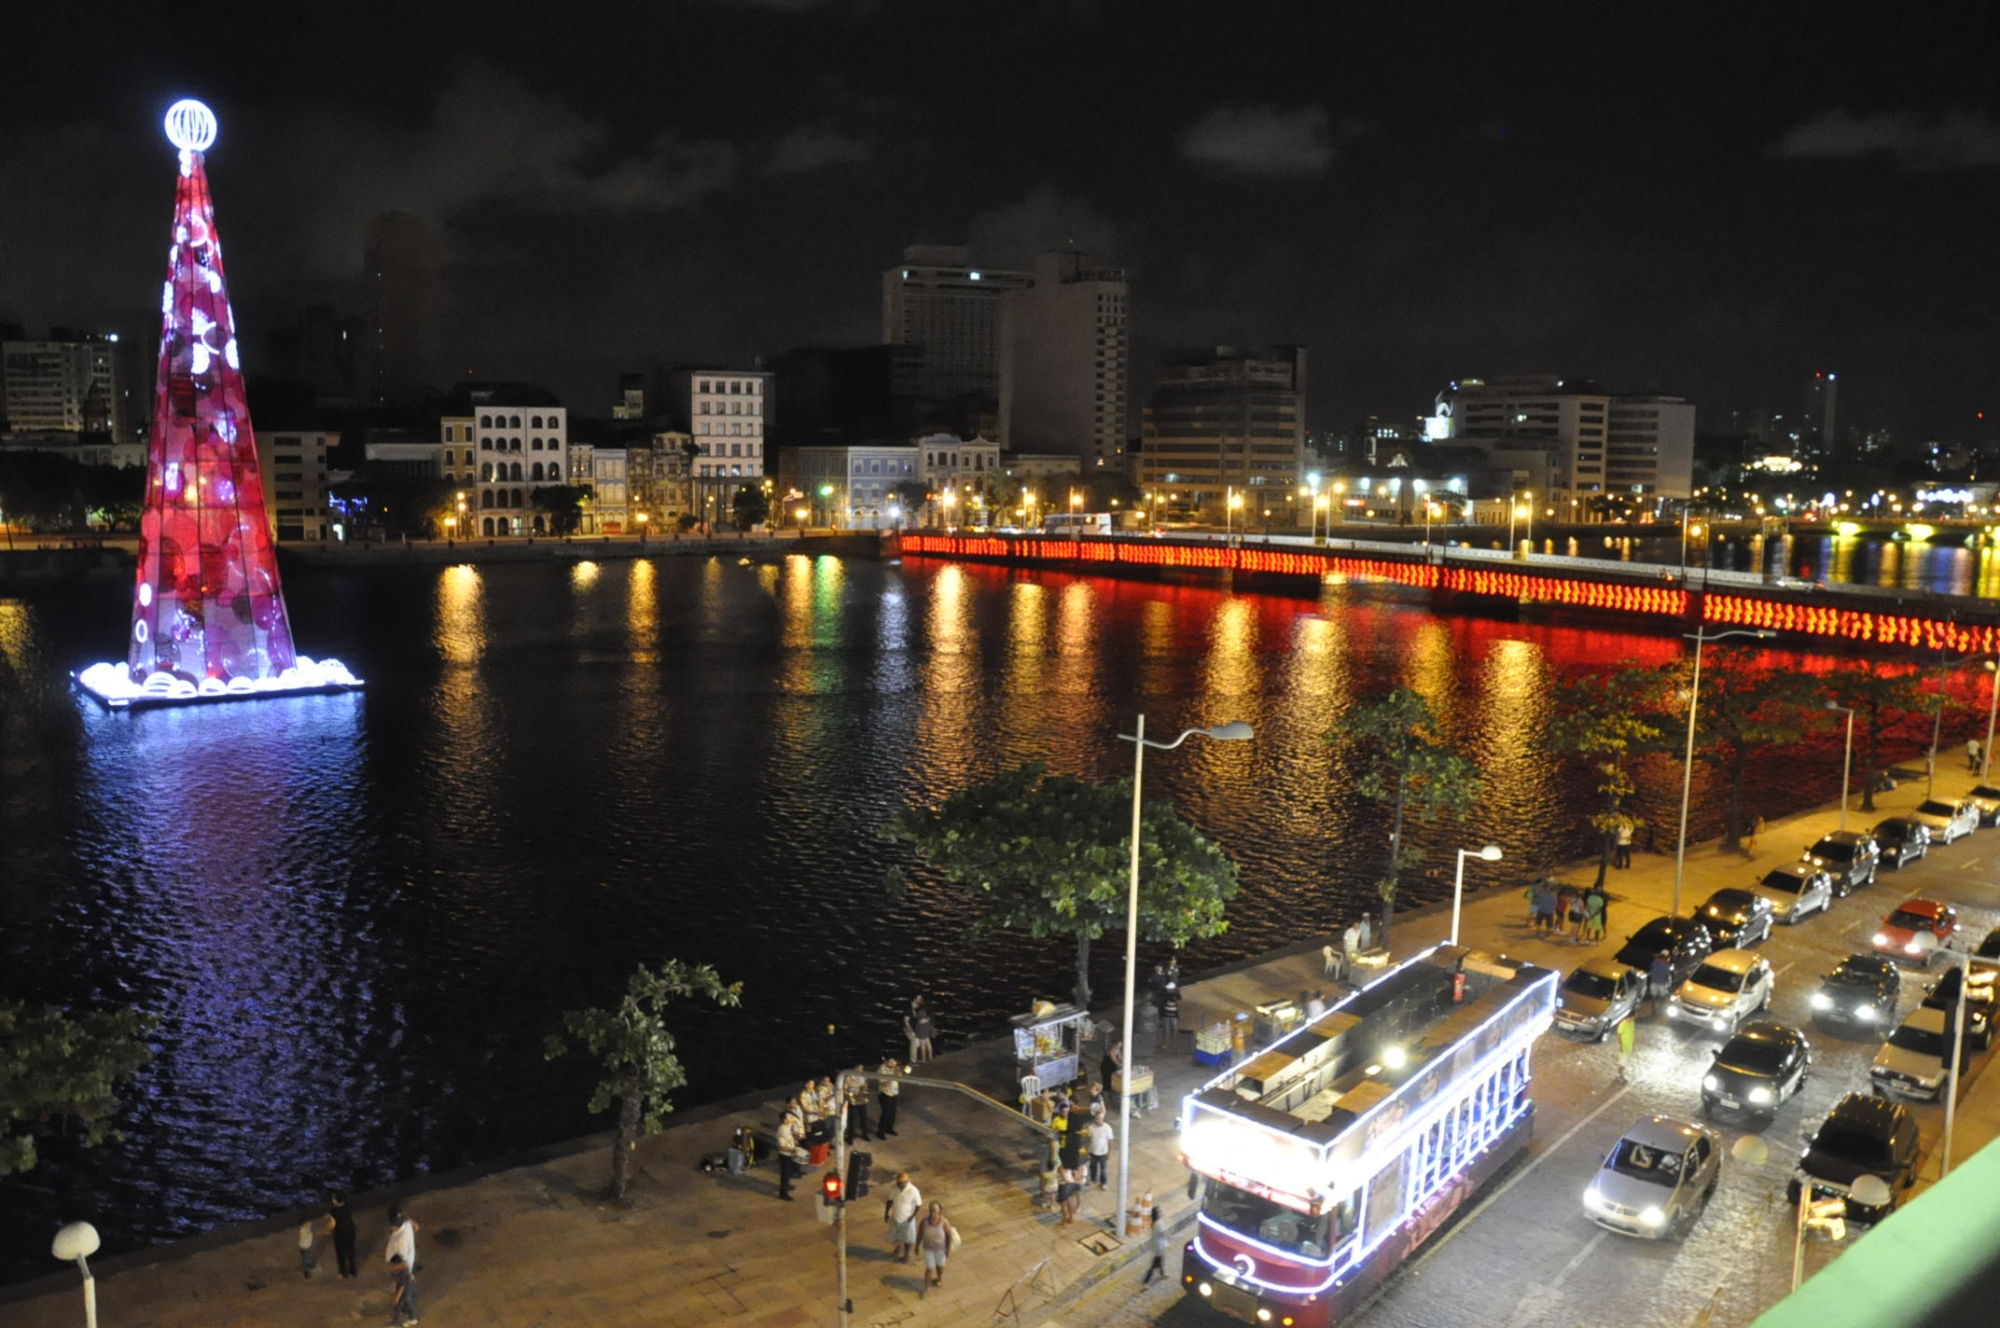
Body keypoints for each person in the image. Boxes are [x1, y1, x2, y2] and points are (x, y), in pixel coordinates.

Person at [917, 1201, 959, 1297]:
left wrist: (947, 1249)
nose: (933, 1214)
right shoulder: (924, 1222)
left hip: (941, 1249)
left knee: (940, 1266)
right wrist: (917, 1245)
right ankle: (926, 1288)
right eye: (932, 1211)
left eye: (935, 1211)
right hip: (928, 1249)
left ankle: (939, 1278)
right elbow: (920, 1234)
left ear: (939, 1212)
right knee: (929, 1269)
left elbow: (949, 1236)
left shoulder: (944, 1222)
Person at [885, 1173, 924, 1262]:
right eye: (898, 1183)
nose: (899, 1185)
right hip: (896, 1217)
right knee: (896, 1235)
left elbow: (918, 1206)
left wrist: (912, 1216)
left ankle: (906, 1255)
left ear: (906, 1182)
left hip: (907, 1219)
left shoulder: (913, 1191)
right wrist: (886, 1214)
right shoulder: (895, 1189)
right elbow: (889, 1201)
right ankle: (898, 1248)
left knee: (907, 1238)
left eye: (901, 1183)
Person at [775, 1098, 806, 1201]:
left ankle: (787, 1186)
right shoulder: (783, 1130)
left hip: (789, 1154)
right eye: (789, 1116)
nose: (792, 1117)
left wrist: (796, 1139)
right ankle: (783, 1194)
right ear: (785, 1120)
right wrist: (793, 1151)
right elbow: (781, 1146)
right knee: (785, 1174)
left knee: (788, 1173)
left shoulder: (788, 1127)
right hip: (785, 1155)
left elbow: (792, 1133)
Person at [329, 1191, 358, 1279]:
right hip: (350, 1230)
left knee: (340, 1253)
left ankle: (342, 1272)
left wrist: (329, 1231)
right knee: (351, 1252)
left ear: (336, 1200)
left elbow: (332, 1224)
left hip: (340, 1232)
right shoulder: (348, 1206)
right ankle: (353, 1272)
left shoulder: (333, 1211)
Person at [386, 1251, 419, 1327]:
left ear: (398, 1264)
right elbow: (396, 1280)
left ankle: (398, 1323)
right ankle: (410, 1317)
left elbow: (403, 1287)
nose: (392, 1267)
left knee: (400, 1304)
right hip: (404, 1287)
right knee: (404, 1304)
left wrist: (397, 1297)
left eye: (393, 1265)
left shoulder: (404, 1272)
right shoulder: (399, 1269)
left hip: (407, 1289)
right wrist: (393, 1286)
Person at [384, 1207, 418, 1274]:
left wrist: (391, 1268)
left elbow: (402, 1265)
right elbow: (416, 1226)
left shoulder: (400, 1244)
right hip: (406, 1255)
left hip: (402, 1270)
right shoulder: (406, 1223)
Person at [1140, 1206, 1169, 1284]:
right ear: (1158, 1214)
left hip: (1156, 1245)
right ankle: (1146, 1282)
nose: (1162, 1212)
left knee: (1161, 1260)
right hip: (1159, 1247)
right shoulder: (1159, 1224)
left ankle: (1162, 1273)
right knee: (1154, 1265)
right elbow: (1164, 1234)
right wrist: (1170, 1237)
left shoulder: (1154, 1222)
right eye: (1160, 1211)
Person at [844, 1068, 873, 1144]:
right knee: (852, 1120)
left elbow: (866, 1087)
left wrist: (865, 1095)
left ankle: (865, 1134)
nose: (861, 1069)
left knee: (864, 1119)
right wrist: (852, 1096)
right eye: (859, 1068)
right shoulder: (849, 1077)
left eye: (862, 1068)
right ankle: (850, 1138)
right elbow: (845, 1090)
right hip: (853, 1101)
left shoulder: (863, 1076)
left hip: (862, 1101)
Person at [1086, 1113, 1114, 1189]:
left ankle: (1103, 1183)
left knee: (1103, 1169)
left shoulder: (1107, 1128)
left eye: (1099, 1118)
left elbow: (1110, 1141)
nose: (1097, 1120)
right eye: (1096, 1119)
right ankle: (1093, 1179)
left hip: (1103, 1153)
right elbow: (1089, 1139)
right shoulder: (1091, 1127)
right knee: (1092, 1167)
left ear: (1102, 1119)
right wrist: (1088, 1150)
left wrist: (1109, 1153)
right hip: (1093, 1152)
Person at [877, 1056, 903, 1138]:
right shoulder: (881, 1070)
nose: (892, 1064)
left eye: (894, 1062)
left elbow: (900, 1077)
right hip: (885, 1093)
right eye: (890, 1062)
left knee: (893, 1113)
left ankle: (889, 1128)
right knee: (885, 1114)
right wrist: (891, 1077)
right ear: (886, 1062)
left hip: (894, 1092)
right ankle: (880, 1132)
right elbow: (882, 1083)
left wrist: (899, 1071)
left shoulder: (895, 1068)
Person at [906, 995, 936, 1064]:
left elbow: (916, 1016)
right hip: (927, 1026)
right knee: (928, 1042)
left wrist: (913, 1009)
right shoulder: (928, 1007)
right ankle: (930, 1057)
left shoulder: (919, 1008)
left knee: (922, 1044)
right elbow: (930, 1016)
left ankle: (924, 1059)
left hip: (921, 1027)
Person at [1056, 1161, 1084, 1226]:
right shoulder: (1071, 1166)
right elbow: (1076, 1174)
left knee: (1063, 1205)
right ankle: (1071, 1218)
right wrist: (1075, 1180)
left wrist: (1074, 1180)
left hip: (1063, 1187)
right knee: (1069, 1202)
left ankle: (1064, 1222)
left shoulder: (1061, 1168)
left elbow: (1065, 1179)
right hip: (1071, 1186)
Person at [1615, 1010, 1638, 1083]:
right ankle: (1618, 1075)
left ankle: (1620, 1075)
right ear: (1631, 1016)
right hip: (1624, 1046)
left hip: (1629, 1047)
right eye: (1634, 1016)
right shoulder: (1623, 1023)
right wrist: (1620, 1045)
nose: (1635, 1018)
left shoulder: (1632, 1023)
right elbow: (1619, 1035)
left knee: (1624, 1063)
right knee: (1622, 1063)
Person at [297, 1214, 319, 1279]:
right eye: (307, 1222)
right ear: (304, 1223)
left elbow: (310, 1226)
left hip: (307, 1247)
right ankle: (306, 1273)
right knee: (306, 1260)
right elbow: (303, 1228)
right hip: (304, 1247)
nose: (309, 1223)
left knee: (310, 1258)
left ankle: (309, 1268)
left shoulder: (306, 1228)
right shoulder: (303, 1229)